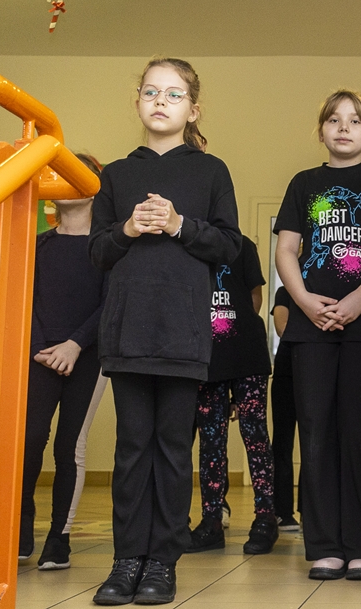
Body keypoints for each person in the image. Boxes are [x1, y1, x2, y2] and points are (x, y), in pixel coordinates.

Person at [88, 57, 241, 605]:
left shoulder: (211, 171)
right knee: (132, 448)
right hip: (127, 333)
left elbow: (230, 245)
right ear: (137, 102)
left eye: (174, 94)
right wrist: (129, 228)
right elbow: (97, 252)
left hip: (182, 334)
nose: (161, 101)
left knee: (174, 450)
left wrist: (179, 225)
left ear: (192, 109)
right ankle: (127, 559)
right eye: (151, 91)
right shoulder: (115, 174)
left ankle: (162, 562)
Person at [274, 90, 361, 582]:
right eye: (335, 120)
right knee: (317, 433)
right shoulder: (304, 183)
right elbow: (286, 250)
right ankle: (324, 545)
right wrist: (303, 300)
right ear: (321, 129)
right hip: (311, 326)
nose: (344, 128)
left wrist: (359, 300)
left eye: (356, 121)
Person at [20, 155, 108, 570]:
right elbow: (25, 300)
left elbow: (111, 303)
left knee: (69, 446)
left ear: (94, 186)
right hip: (39, 355)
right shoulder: (37, 244)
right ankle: (21, 530)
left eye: (75, 175)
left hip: (89, 357)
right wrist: (41, 347)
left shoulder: (107, 246)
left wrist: (74, 344)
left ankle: (60, 538)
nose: (64, 182)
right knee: (28, 440)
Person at [186, 235, 277, 555]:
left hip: (247, 356)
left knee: (256, 437)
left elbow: (255, 298)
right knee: (211, 442)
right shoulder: (191, 245)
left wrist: (231, 337)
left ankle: (265, 518)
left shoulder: (242, 245)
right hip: (206, 359)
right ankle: (211, 520)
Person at [269, 286, 300, 532]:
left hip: (317, 373)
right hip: (286, 374)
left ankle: (312, 511)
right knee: (282, 442)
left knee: (317, 441)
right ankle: (282, 511)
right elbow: (282, 328)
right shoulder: (284, 292)